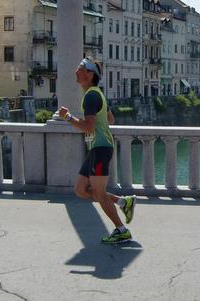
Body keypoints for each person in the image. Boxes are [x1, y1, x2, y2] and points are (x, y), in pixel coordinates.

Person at [58, 57, 136, 244]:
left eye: (81, 67)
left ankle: (121, 230)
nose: (77, 70)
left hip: (100, 148)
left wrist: (67, 117)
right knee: (81, 190)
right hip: (96, 148)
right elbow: (110, 119)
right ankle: (123, 202)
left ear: (90, 74)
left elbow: (89, 127)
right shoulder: (96, 94)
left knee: (99, 193)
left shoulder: (91, 96)